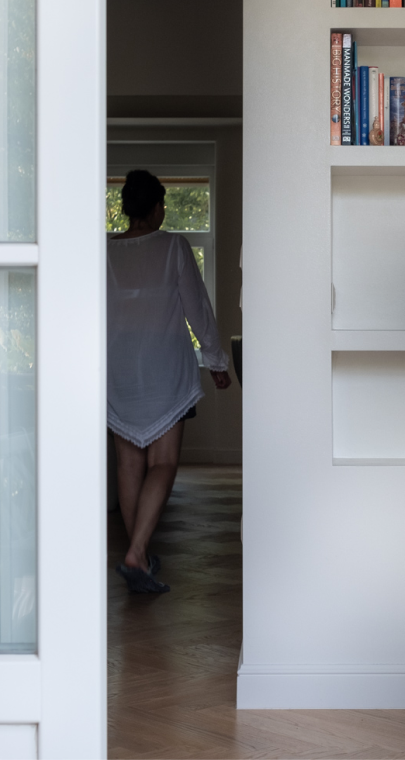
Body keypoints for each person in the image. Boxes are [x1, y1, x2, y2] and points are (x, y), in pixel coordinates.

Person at [107, 170, 231, 593]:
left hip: (117, 369)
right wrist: (216, 360)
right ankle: (137, 553)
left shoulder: (102, 252)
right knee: (163, 463)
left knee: (128, 464)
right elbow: (197, 308)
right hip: (164, 368)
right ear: (156, 206)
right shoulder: (174, 247)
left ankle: (139, 556)